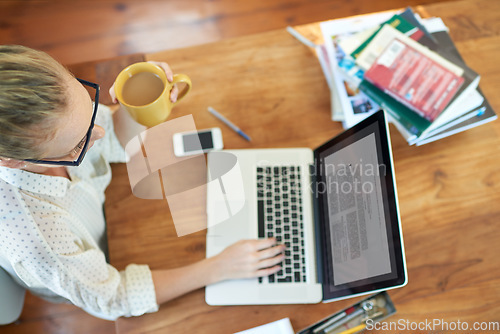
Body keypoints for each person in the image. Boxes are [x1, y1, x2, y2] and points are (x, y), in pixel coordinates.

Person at [0, 45, 285, 320]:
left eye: (89, 106)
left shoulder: (57, 120)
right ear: (11, 161)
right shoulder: (39, 242)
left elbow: (110, 136)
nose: (98, 131)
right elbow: (113, 298)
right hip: (88, 273)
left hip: (111, 213)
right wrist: (219, 268)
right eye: (78, 144)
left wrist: (140, 106)